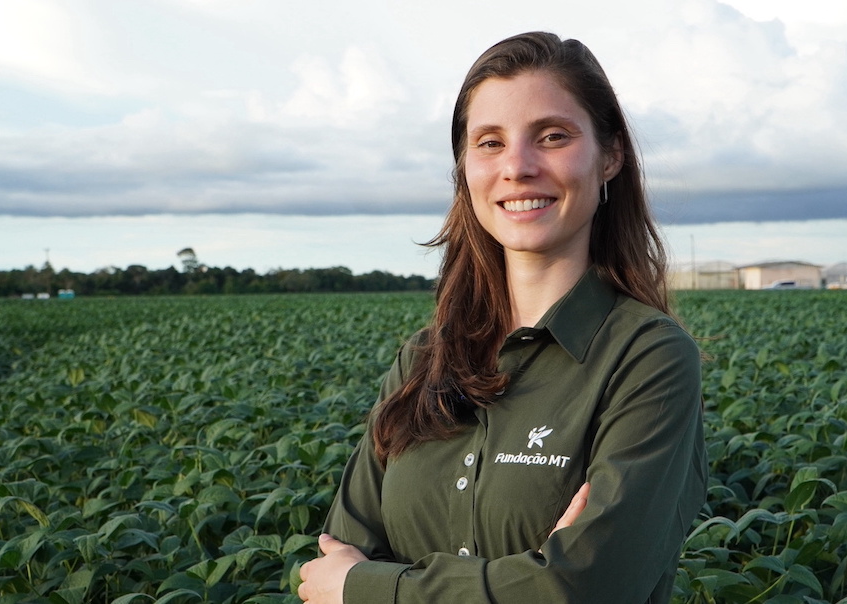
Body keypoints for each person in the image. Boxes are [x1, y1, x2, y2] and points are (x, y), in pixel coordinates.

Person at [297, 31, 707, 604]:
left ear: (610, 155)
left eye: (553, 136)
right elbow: (332, 564)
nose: (517, 167)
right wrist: (533, 579)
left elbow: (587, 588)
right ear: (465, 168)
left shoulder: (647, 358)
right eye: (489, 142)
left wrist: (367, 589)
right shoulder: (423, 358)